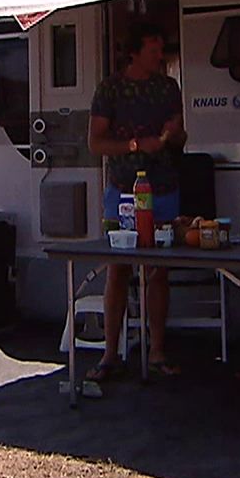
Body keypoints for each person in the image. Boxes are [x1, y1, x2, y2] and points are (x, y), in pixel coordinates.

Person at [86, 21, 186, 382]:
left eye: (161, 48)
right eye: (153, 49)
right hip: (123, 190)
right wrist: (134, 145)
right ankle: (110, 353)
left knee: (158, 270)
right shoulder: (110, 89)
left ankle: (157, 351)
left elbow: (180, 137)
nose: (160, 55)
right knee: (118, 268)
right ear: (135, 52)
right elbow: (95, 143)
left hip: (164, 188)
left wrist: (174, 135)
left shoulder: (168, 88)